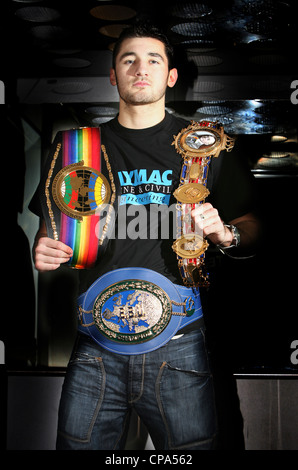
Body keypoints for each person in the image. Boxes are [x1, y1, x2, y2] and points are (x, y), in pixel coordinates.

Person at [30, 23, 260, 450]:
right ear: (113, 75)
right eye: (128, 59)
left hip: (180, 343)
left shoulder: (206, 147)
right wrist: (42, 250)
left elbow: (252, 228)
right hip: (95, 344)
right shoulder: (76, 146)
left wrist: (226, 234)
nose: (141, 68)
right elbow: (49, 233)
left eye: (154, 59)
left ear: (171, 76)